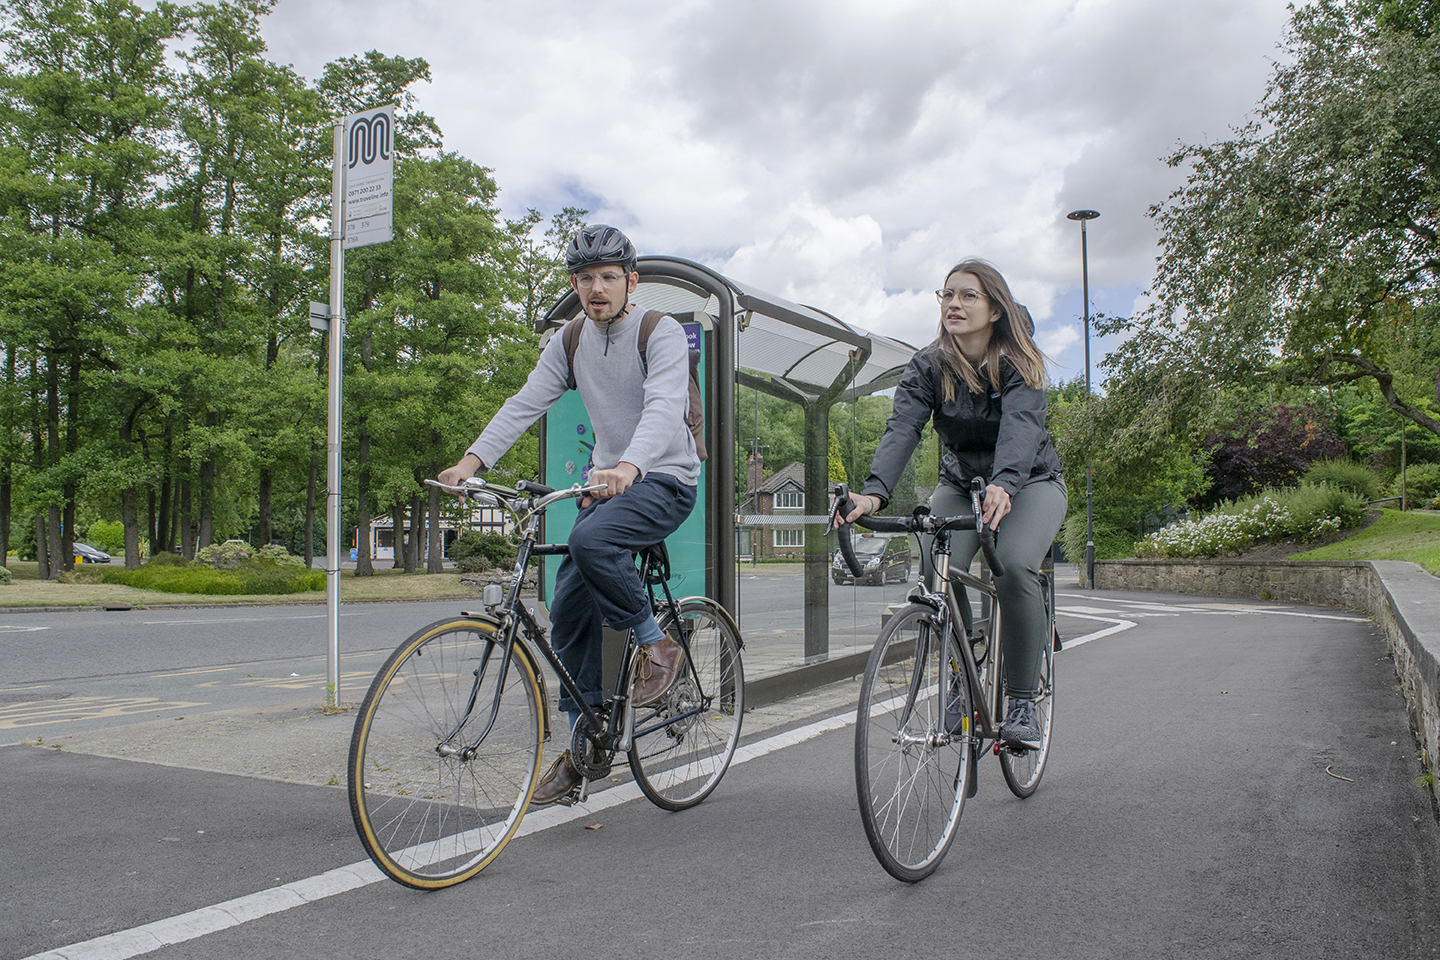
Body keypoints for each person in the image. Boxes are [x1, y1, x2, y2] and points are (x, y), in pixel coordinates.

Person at [438, 224, 701, 803]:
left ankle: (659, 644)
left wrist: (629, 467)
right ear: (575, 286)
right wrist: (470, 460)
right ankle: (588, 742)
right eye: (585, 279)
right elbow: (526, 401)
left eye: (609, 277)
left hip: (664, 477)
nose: (597, 288)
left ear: (631, 282)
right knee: (570, 602)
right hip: (611, 483)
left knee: (591, 545)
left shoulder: (660, 333)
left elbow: (662, 408)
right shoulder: (571, 339)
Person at [836, 258, 1066, 749]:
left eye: (968, 296)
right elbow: (903, 428)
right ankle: (963, 671)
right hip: (962, 483)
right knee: (935, 568)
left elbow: (1022, 427)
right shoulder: (929, 365)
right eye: (947, 295)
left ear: (995, 309)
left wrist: (1005, 483)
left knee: (1016, 567)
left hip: (1031, 483)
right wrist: (874, 492)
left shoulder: (1020, 361)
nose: (954, 305)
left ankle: (1022, 699)